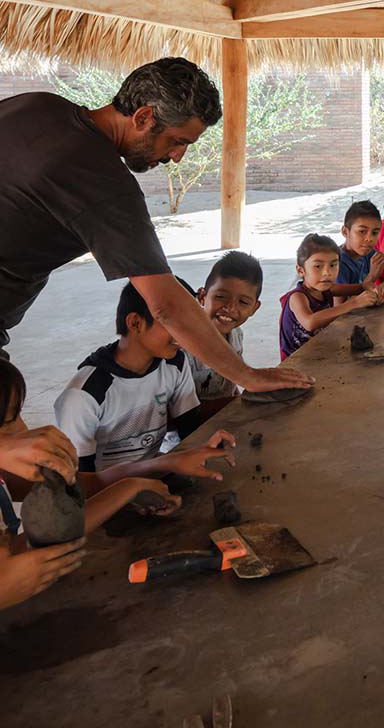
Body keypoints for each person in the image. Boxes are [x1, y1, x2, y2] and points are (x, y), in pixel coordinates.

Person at [0, 55, 311, 474]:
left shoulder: (38, 106)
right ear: (143, 117)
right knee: (36, 472)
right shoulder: (105, 184)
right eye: (177, 141)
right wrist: (249, 375)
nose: (179, 156)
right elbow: (166, 304)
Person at [0, 358, 178, 609]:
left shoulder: (6, 476)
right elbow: (39, 550)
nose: (24, 428)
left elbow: (83, 487)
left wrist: (150, 472)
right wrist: (128, 488)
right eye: (8, 422)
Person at [54, 282, 236, 482]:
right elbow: (82, 483)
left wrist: (206, 444)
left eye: (189, 324)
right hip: (105, 493)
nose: (186, 335)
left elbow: (189, 429)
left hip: (155, 474)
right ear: (135, 323)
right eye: (174, 323)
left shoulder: (174, 363)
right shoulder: (84, 395)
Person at [280, 234, 383, 360]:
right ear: (301, 270)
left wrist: (374, 292)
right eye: (318, 266)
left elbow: (361, 287)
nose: (327, 272)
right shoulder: (297, 297)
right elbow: (310, 322)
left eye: (333, 265)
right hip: (297, 360)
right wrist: (354, 303)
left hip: (320, 350)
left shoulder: (328, 289)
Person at [187, 252, 263, 415]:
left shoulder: (236, 334)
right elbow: (175, 416)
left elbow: (230, 382)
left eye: (243, 302)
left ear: (254, 308)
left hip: (225, 422)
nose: (230, 308)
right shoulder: (183, 345)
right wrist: (237, 404)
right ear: (202, 297)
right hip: (188, 437)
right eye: (221, 297)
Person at [337, 200, 384, 287]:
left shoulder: (369, 253)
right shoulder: (338, 264)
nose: (369, 239)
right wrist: (372, 277)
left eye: (375, 233)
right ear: (345, 232)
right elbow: (343, 301)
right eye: (362, 231)